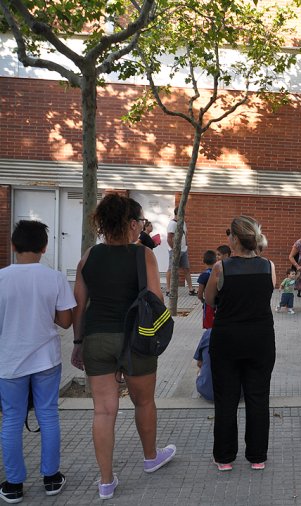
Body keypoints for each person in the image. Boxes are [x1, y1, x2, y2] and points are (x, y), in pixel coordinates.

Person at [71, 194, 176, 500]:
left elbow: (80, 305)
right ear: (132, 224)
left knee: (103, 411)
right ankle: (150, 457)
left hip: (96, 337)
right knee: (144, 402)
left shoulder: (88, 256)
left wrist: (78, 343)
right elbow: (154, 299)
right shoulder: (143, 255)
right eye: (140, 222)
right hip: (136, 339)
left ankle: (105, 482)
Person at [0, 221, 75, 503]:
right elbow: (66, 322)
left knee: (11, 420)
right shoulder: (54, 278)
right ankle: (51, 478)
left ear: (13, 245)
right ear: (44, 248)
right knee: (48, 414)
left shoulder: (1, 278)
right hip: (46, 360)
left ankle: (13, 484)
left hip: (8, 362)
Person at [204, 216, 277, 471]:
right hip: (261, 339)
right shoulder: (268, 265)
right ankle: (257, 457)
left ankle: (224, 458)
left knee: (226, 399)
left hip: (227, 339)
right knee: (258, 397)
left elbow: (209, 299)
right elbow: (268, 292)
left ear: (234, 239)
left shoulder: (220, 268)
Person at [165, 208, 196, 297]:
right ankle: (168, 289)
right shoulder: (172, 224)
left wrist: (186, 244)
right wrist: (174, 249)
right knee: (171, 269)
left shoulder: (183, 223)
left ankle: (191, 289)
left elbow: (185, 234)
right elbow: (169, 238)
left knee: (186, 268)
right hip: (175, 250)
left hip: (183, 249)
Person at [196, 250, 217, 329]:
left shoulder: (204, 275)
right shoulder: (219, 273)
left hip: (208, 303)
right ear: (215, 260)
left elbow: (200, 294)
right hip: (220, 302)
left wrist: (202, 300)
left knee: (209, 326)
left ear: (203, 261)